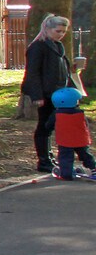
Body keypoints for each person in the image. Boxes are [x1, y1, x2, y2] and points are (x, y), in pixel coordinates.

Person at [22, 15, 83, 173]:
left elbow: (63, 71)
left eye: (63, 32)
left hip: (60, 94)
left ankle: (49, 158)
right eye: (58, 31)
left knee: (51, 126)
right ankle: (44, 160)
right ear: (47, 29)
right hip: (46, 93)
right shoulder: (38, 47)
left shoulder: (58, 46)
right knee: (44, 126)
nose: (61, 34)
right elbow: (32, 73)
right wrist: (37, 96)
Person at [52, 86, 96, 180]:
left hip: (65, 140)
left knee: (65, 157)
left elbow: (48, 125)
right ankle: (93, 169)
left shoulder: (56, 114)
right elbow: (86, 125)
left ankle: (66, 174)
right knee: (85, 155)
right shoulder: (80, 113)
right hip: (81, 139)